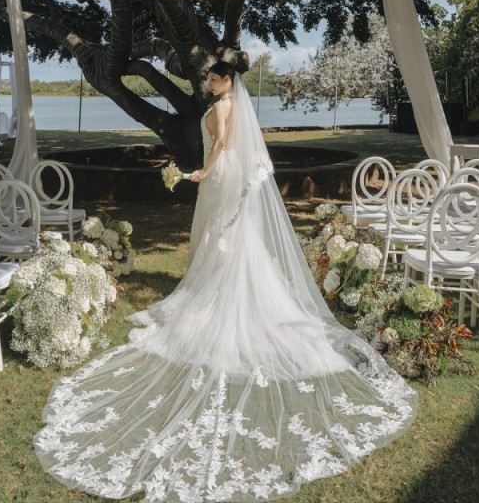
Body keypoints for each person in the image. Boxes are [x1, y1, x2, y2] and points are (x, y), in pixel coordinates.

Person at [34, 61, 417, 502]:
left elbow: (221, 144)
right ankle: (227, 284)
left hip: (220, 175)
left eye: (213, 79)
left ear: (226, 81)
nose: (208, 84)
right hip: (235, 175)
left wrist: (201, 171)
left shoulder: (220, 107)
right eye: (210, 80)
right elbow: (235, 144)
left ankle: (214, 289)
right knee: (232, 236)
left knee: (217, 234)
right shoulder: (235, 105)